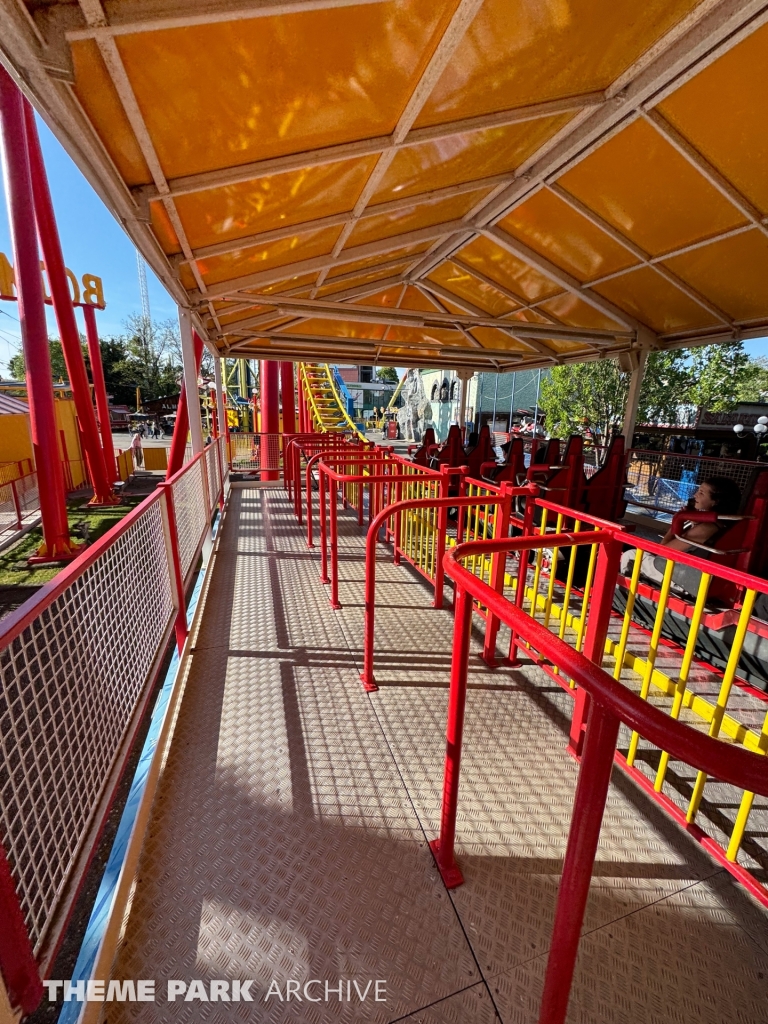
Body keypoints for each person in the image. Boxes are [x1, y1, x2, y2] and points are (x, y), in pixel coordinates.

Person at [620, 476, 741, 583]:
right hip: (688, 573)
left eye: (702, 493)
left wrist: (677, 520)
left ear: (716, 501)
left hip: (682, 578)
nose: (695, 495)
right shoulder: (715, 524)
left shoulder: (706, 528)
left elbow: (662, 551)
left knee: (630, 555)